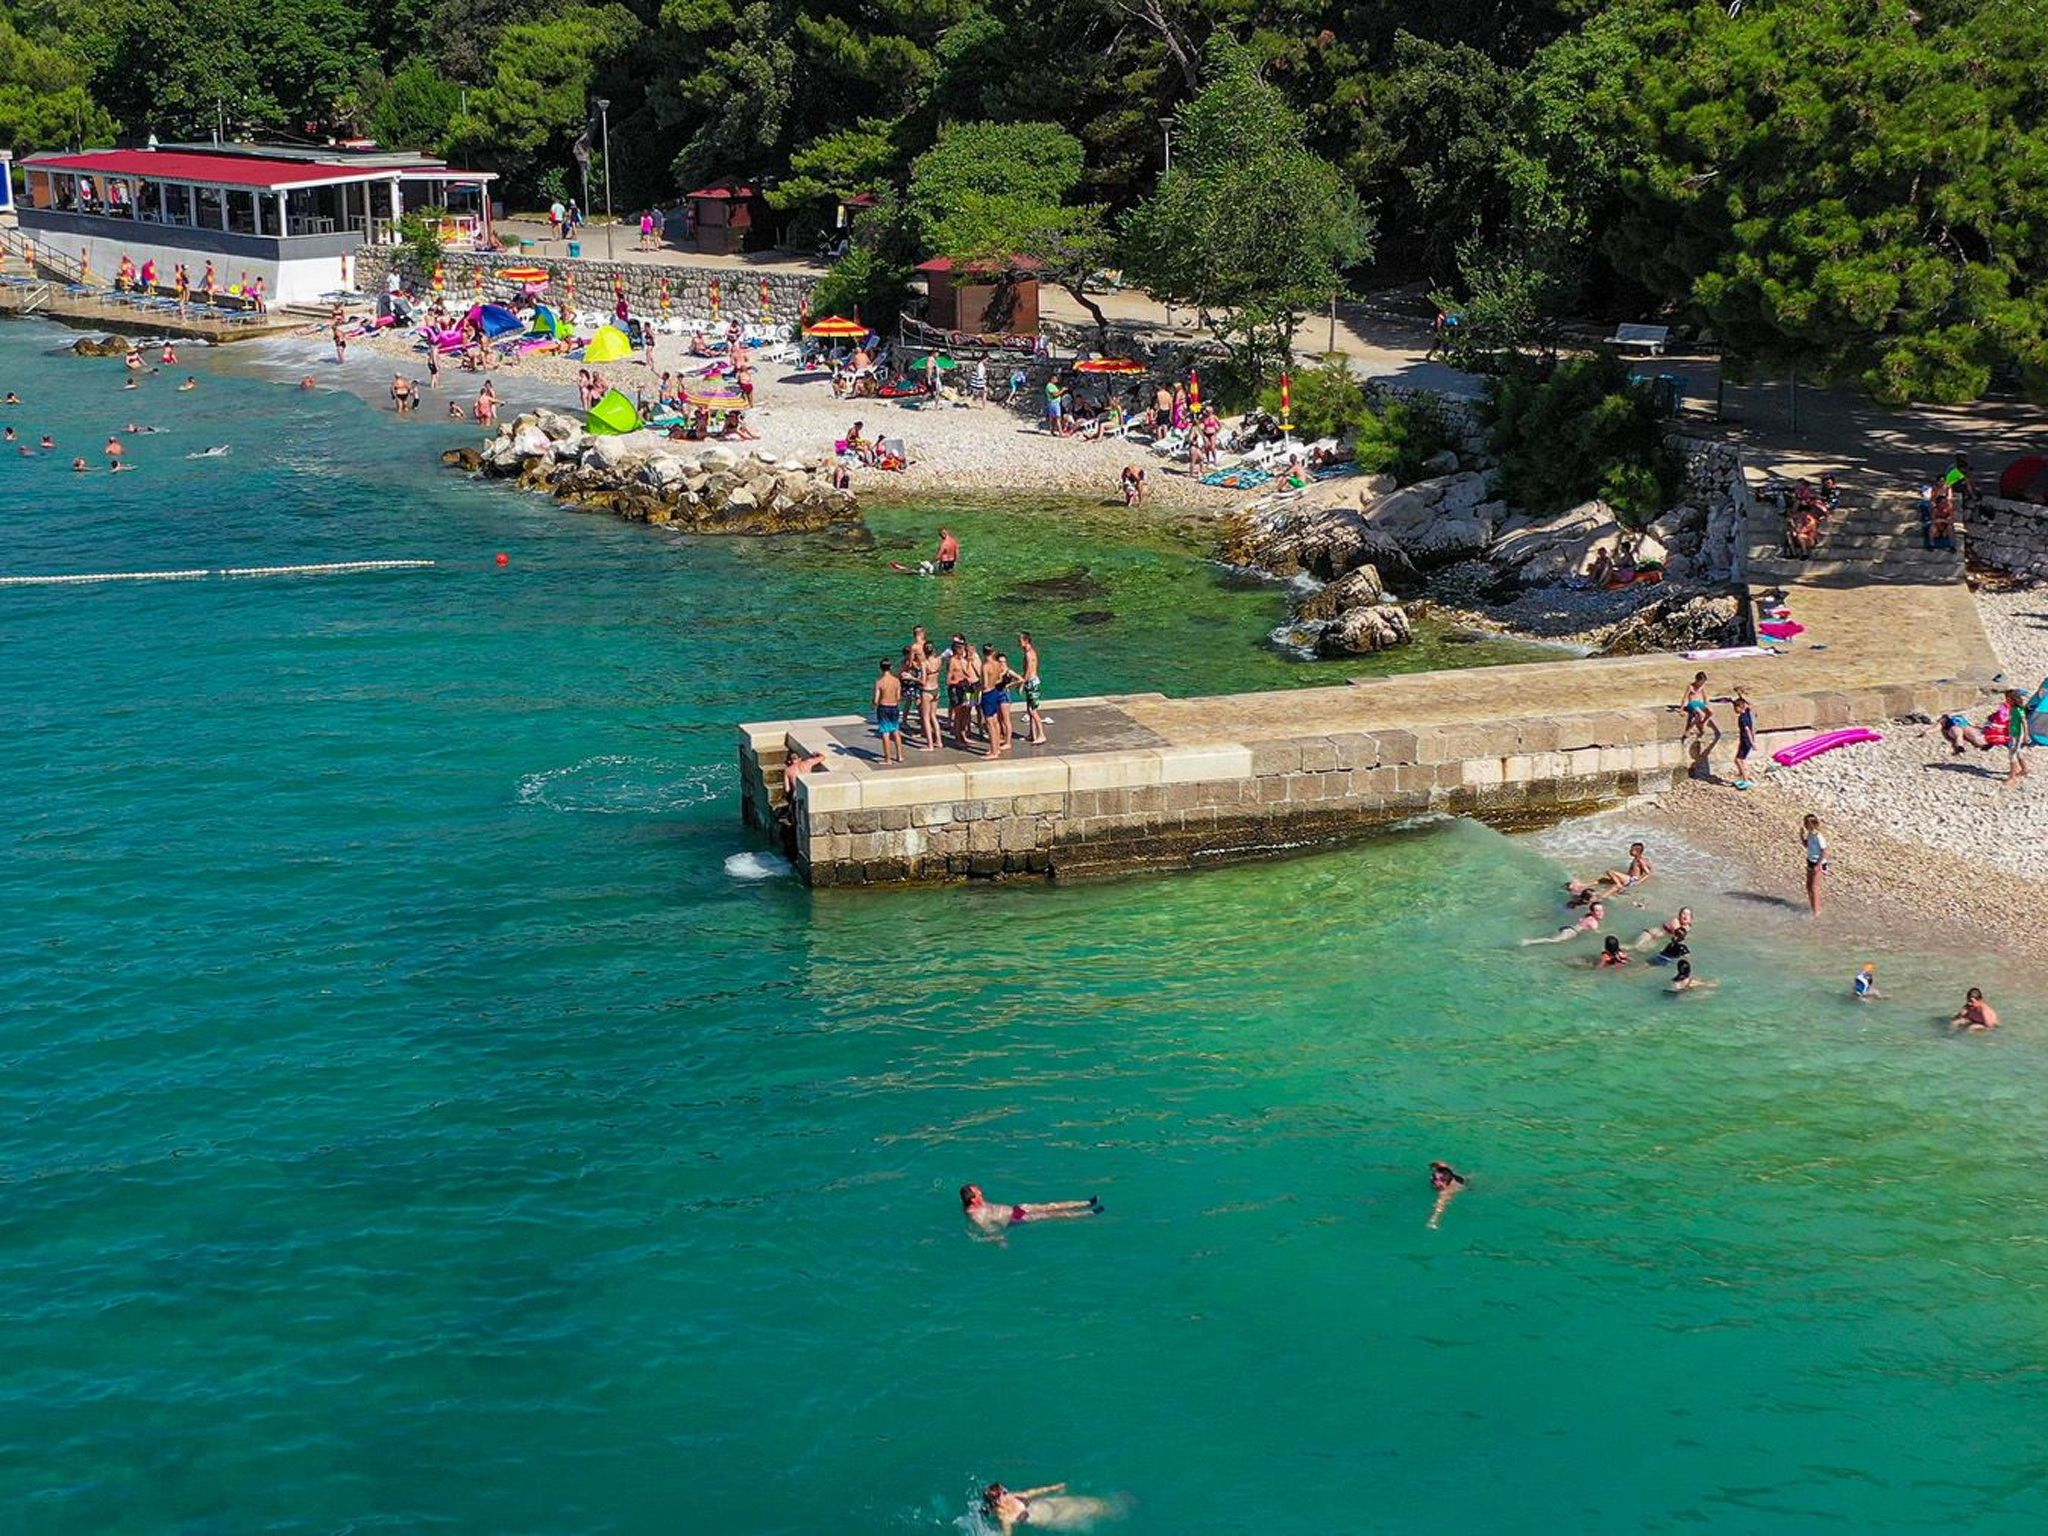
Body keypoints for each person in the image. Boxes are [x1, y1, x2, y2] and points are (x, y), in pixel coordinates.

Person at [959, 1184, 1101, 1236]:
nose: (980, 1191)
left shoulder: (979, 1203)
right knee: (1049, 1215)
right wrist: (1000, 1239)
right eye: (977, 1191)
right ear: (973, 1199)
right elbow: (987, 1228)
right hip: (1014, 1219)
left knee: (1050, 1206)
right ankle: (1088, 1213)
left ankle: (1087, 1202)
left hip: (1016, 1210)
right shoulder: (974, 1213)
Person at [981, 1483, 1120, 1535]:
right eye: (1004, 1493)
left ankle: (1114, 1506)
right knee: (1088, 1514)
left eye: (1005, 1490)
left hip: (1050, 1503)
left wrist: (1055, 1488)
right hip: (1052, 1518)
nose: (1007, 1492)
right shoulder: (1005, 1517)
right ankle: (1115, 1513)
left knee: (1092, 1504)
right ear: (998, 1500)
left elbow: (1032, 1492)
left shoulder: (1013, 1496)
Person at [1524, 900, 1604, 944]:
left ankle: (1531, 940)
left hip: (1568, 928)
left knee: (1550, 937)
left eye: (1601, 910)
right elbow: (1596, 933)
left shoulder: (1588, 916)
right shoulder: (1594, 923)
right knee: (1553, 941)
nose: (1601, 912)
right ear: (1592, 912)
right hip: (1571, 932)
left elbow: (1581, 921)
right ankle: (1529, 942)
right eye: (1597, 910)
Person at [872, 657, 904, 764]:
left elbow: (876, 700)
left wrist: (874, 704)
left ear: (880, 668)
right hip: (894, 707)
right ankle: (899, 756)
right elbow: (899, 697)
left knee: (885, 733)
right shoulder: (896, 681)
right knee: (895, 731)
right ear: (890, 667)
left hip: (883, 708)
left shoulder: (879, 682)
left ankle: (888, 759)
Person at [1019, 631, 1046, 745]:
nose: (1018, 643)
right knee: (1029, 710)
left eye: (1020, 640)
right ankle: (1032, 734)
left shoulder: (1029, 654)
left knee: (1032, 710)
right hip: (1031, 682)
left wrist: (1022, 683)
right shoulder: (1030, 652)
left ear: (1026, 641)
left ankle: (1041, 735)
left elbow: (1029, 670)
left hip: (1032, 683)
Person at [1801, 813, 1828, 915]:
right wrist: (1801, 836)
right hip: (1810, 861)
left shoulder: (1818, 836)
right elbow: (1807, 845)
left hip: (1819, 863)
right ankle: (1813, 908)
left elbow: (1825, 851)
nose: (1804, 825)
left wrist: (1819, 865)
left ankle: (1817, 911)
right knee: (1808, 886)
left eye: (1806, 823)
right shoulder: (1810, 834)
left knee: (1814, 887)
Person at [1679, 671, 1716, 744]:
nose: (1701, 684)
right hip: (1692, 703)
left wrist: (1706, 705)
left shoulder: (1702, 687)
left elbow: (1705, 697)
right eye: (1701, 682)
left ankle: (1701, 723)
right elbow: (1684, 698)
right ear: (1697, 680)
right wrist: (1681, 710)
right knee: (1701, 714)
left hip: (1699, 703)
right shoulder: (1690, 687)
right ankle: (1689, 729)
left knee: (1711, 712)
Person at [1731, 689, 1757, 788]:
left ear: (1739, 707)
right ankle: (1743, 777)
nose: (1734, 710)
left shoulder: (1742, 718)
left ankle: (1745, 779)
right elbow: (1748, 703)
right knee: (1740, 759)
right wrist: (1739, 693)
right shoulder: (1747, 711)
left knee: (1738, 760)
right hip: (1745, 741)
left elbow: (1747, 730)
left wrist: (1752, 743)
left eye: (1735, 708)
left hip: (1746, 740)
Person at [1427, 1161, 1465, 1229]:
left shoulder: (1447, 1191)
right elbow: (1443, 1167)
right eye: (1435, 1179)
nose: (1436, 1183)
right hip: (1456, 1178)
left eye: (1438, 1181)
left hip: (1464, 1184)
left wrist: (1433, 1221)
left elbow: (1440, 1205)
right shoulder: (1445, 1174)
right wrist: (1436, 1164)